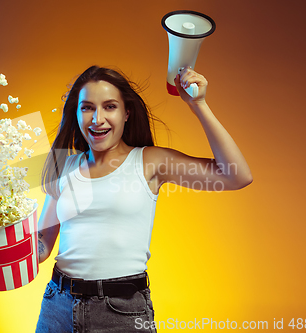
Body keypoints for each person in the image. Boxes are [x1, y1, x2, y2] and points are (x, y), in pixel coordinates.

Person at [35, 65, 253, 332]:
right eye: (87, 107)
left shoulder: (149, 162)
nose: (97, 119)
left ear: (127, 113)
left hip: (121, 310)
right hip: (57, 306)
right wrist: (0, 240)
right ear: (77, 113)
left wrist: (199, 105)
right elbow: (42, 244)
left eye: (110, 106)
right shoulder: (64, 166)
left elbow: (236, 176)